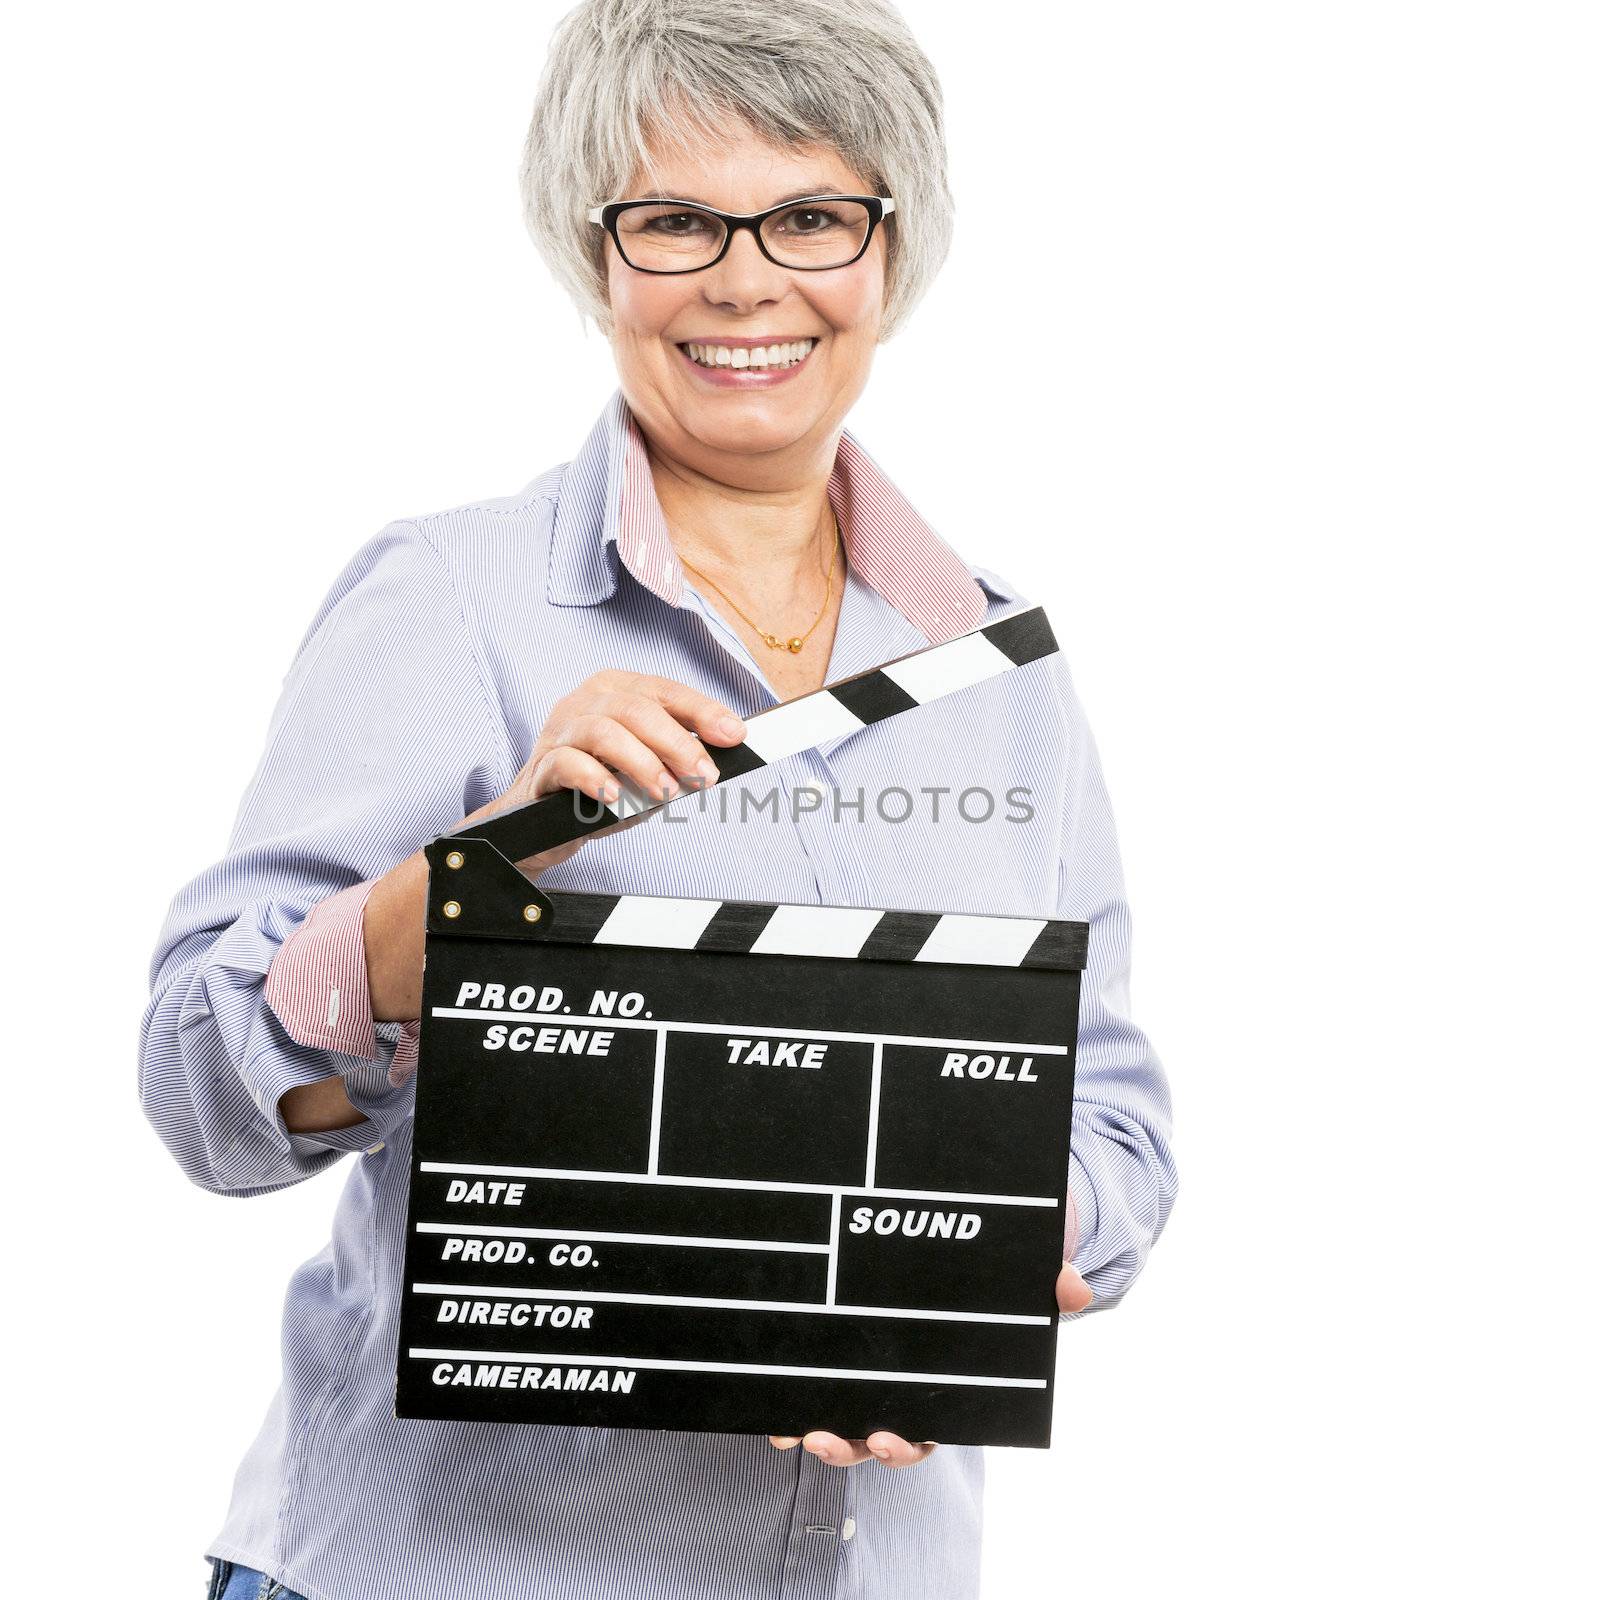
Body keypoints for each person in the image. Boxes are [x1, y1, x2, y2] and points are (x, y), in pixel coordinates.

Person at [140, 3, 1178, 1597]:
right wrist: (478, 871)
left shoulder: (996, 661)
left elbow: (1110, 1117)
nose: (748, 279)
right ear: (597, 251)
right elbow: (205, 1095)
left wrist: (971, 1261)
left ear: (894, 251)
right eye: (679, 220)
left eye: (815, 216)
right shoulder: (452, 600)